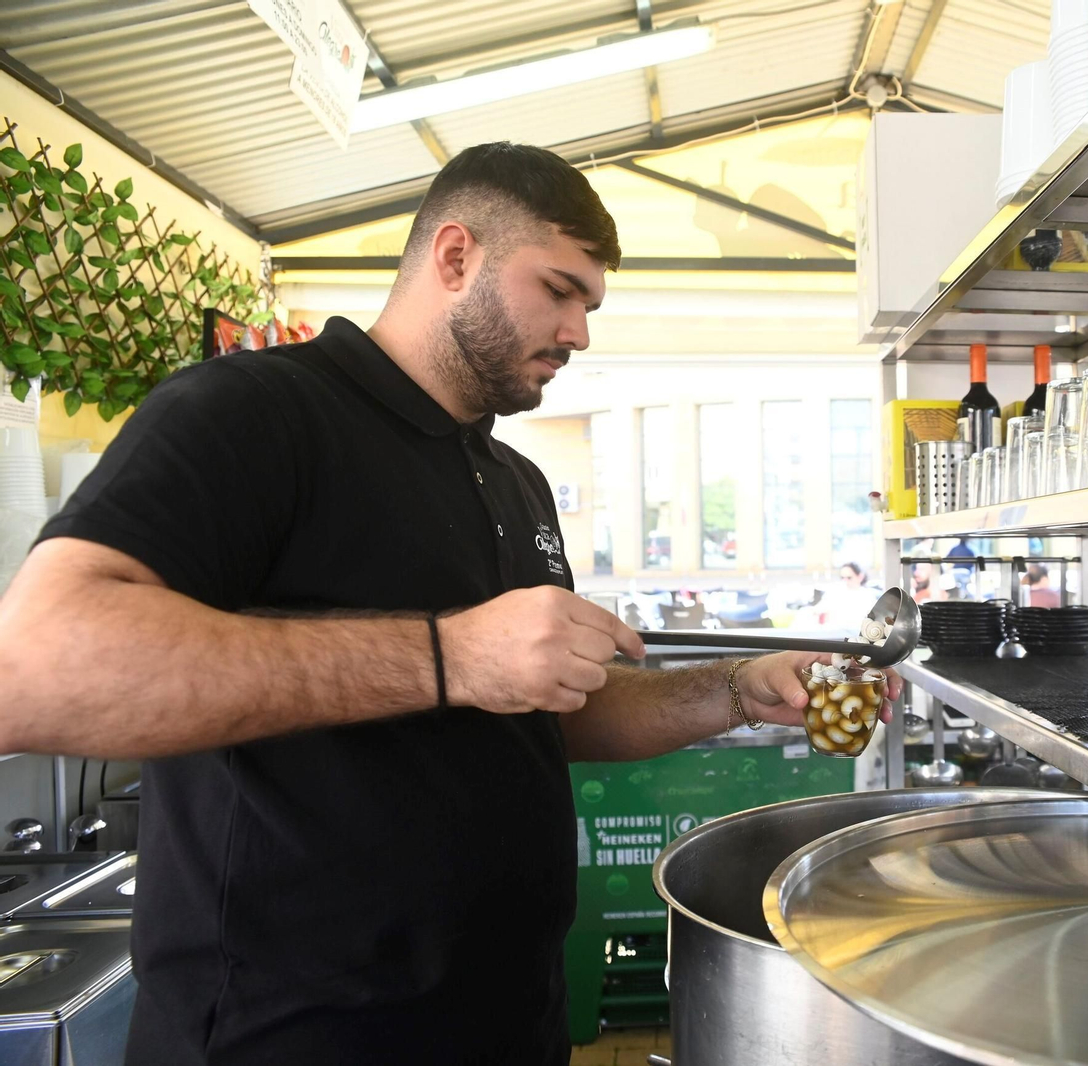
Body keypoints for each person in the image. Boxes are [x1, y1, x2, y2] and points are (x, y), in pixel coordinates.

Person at [0, 143, 900, 1066]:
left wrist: (740, 691)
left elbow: (543, 705)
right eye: (558, 289)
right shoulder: (256, 413)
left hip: (509, 1016)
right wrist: (452, 656)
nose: (580, 332)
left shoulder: (516, 480)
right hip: (295, 1036)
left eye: (590, 304)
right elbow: (36, 669)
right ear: (456, 256)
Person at [797, 562, 881, 628]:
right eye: (842, 578)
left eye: (849, 577)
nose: (845, 581)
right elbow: (817, 610)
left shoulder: (867, 596)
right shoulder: (835, 592)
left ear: (860, 577)